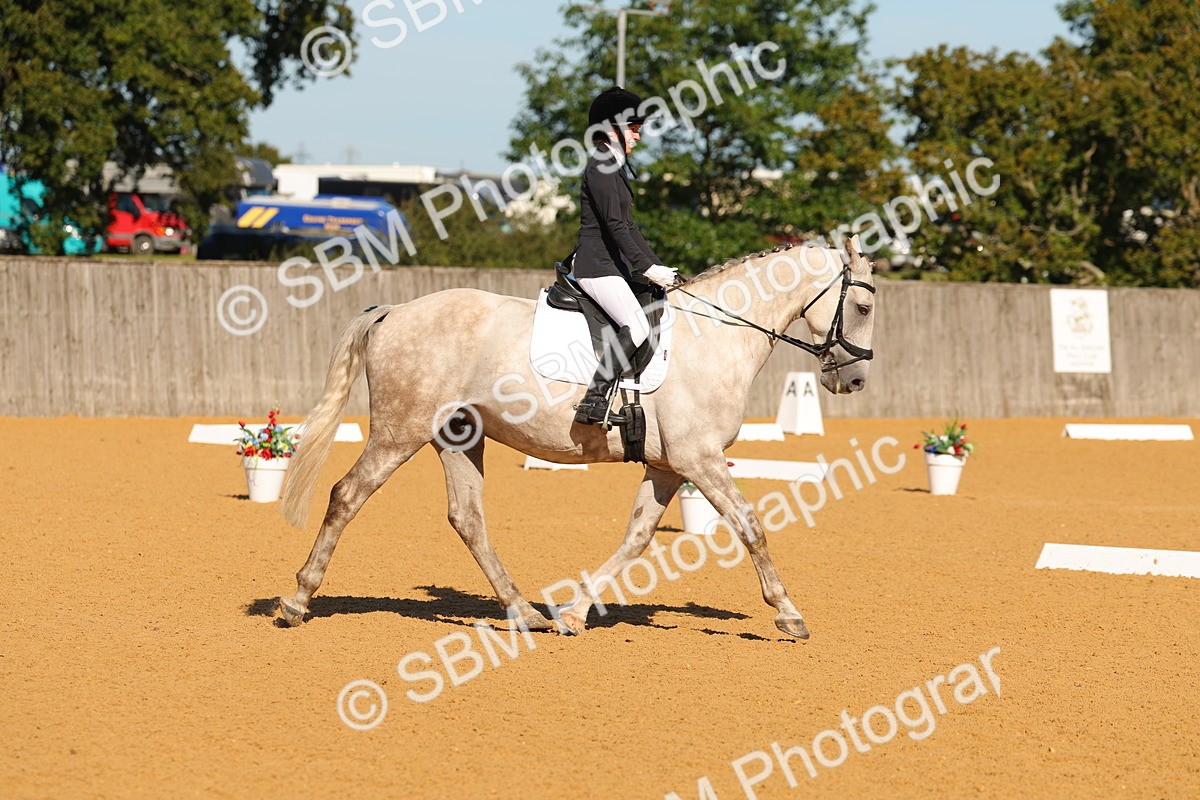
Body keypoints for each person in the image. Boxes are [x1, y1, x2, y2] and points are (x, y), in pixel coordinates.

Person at [571, 86, 679, 425]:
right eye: (633, 126)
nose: (639, 133)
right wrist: (647, 268)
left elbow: (631, 228)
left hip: (610, 266)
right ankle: (594, 399)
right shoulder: (602, 166)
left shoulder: (614, 166)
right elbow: (616, 225)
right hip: (595, 266)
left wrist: (660, 268)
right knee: (635, 326)